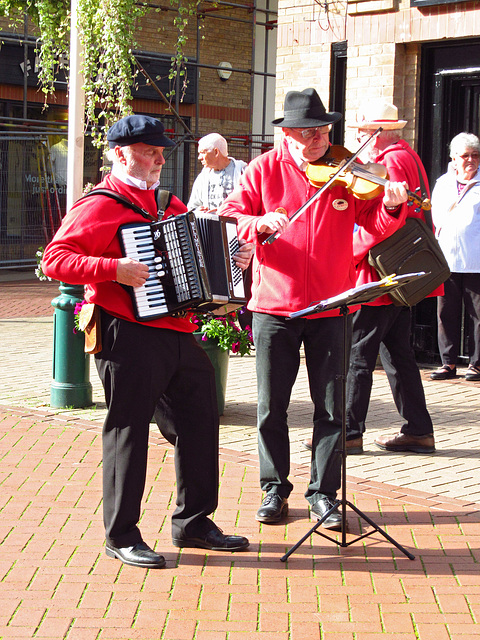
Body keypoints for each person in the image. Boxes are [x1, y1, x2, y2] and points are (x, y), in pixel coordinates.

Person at [42, 115, 251, 570]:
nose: (158, 159)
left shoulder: (166, 201)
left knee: (200, 419)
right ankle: (121, 534)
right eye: (149, 152)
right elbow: (56, 260)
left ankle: (193, 522)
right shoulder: (99, 204)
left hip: (174, 331)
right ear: (121, 153)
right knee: (127, 429)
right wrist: (112, 269)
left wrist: (234, 256)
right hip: (124, 331)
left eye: (161, 152)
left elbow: (197, 249)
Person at [218, 88, 409, 530]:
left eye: (323, 130)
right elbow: (231, 213)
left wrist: (393, 207)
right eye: (309, 132)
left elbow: (375, 226)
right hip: (274, 307)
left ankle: (324, 494)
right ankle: (274, 489)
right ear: (288, 135)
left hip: (331, 306)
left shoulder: (345, 171)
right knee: (271, 407)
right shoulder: (264, 169)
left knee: (331, 408)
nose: (320, 138)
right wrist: (258, 222)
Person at [343, 100, 437, 454]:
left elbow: (387, 220)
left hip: (383, 272)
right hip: (400, 269)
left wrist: (348, 250)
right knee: (397, 353)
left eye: (363, 132)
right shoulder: (406, 154)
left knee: (358, 353)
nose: (358, 137)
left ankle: (348, 432)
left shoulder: (392, 160)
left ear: (378, 133)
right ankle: (418, 430)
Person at [430, 132, 480, 382]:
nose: (470, 160)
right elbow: (435, 217)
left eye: (475, 155)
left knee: (478, 315)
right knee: (445, 313)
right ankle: (448, 362)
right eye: (465, 156)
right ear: (453, 158)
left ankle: (477, 364)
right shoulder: (443, 183)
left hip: (476, 260)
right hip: (447, 259)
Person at [187, 133, 247, 212]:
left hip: (237, 223)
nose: (199, 158)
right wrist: (197, 211)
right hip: (209, 224)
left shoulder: (243, 172)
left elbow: (252, 203)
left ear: (216, 152)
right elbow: (192, 207)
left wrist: (225, 211)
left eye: (203, 152)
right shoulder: (202, 178)